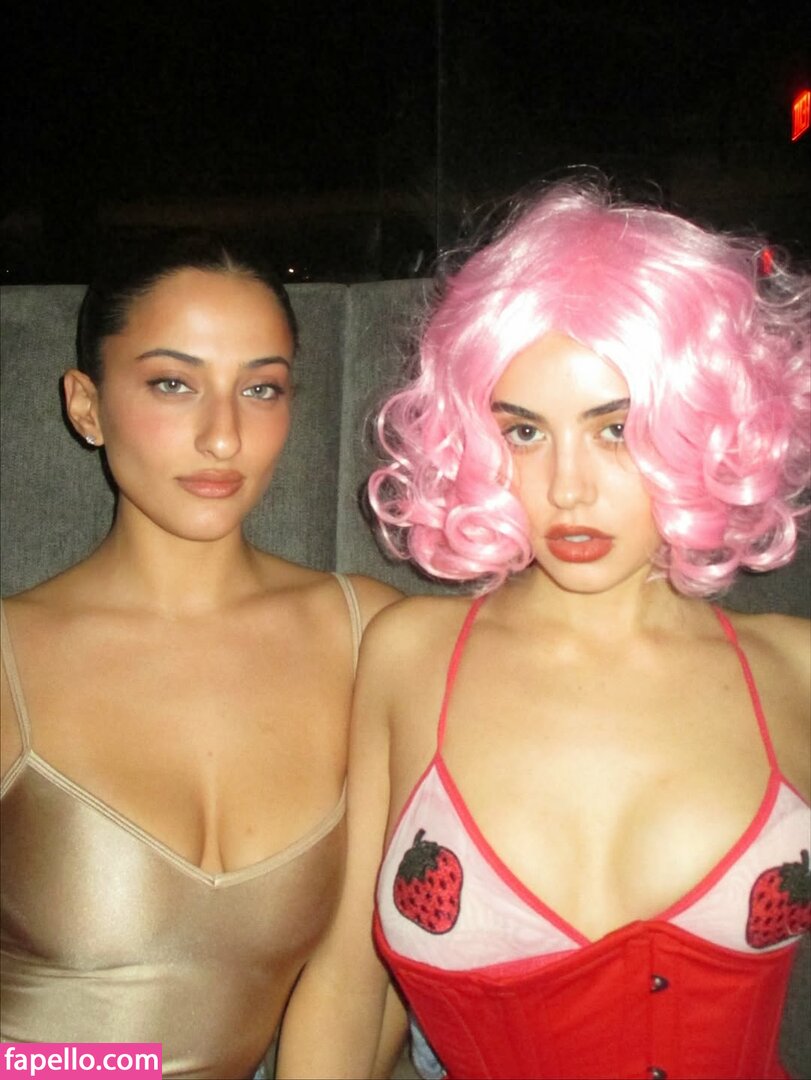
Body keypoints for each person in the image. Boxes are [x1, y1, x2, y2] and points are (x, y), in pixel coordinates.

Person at [276, 180, 811, 1080]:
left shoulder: (795, 671)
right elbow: (345, 985)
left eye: (615, 429)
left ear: (705, 424)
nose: (566, 489)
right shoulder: (409, 654)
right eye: (524, 433)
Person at [0, 234, 399, 1079]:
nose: (223, 437)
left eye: (260, 389)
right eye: (173, 384)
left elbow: (377, 972)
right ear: (86, 405)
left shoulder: (371, 636)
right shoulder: (8, 658)